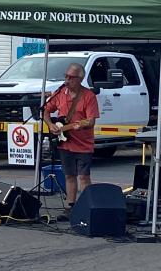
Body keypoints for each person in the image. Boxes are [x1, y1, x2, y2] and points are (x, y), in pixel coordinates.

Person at [43, 63, 100, 220]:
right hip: (65, 143)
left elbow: (90, 121)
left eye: (71, 77)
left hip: (83, 144)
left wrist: (76, 125)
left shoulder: (89, 96)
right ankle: (70, 207)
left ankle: (87, 207)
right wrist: (51, 125)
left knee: (83, 177)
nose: (67, 80)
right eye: (66, 76)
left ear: (80, 79)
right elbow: (46, 110)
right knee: (69, 175)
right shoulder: (60, 93)